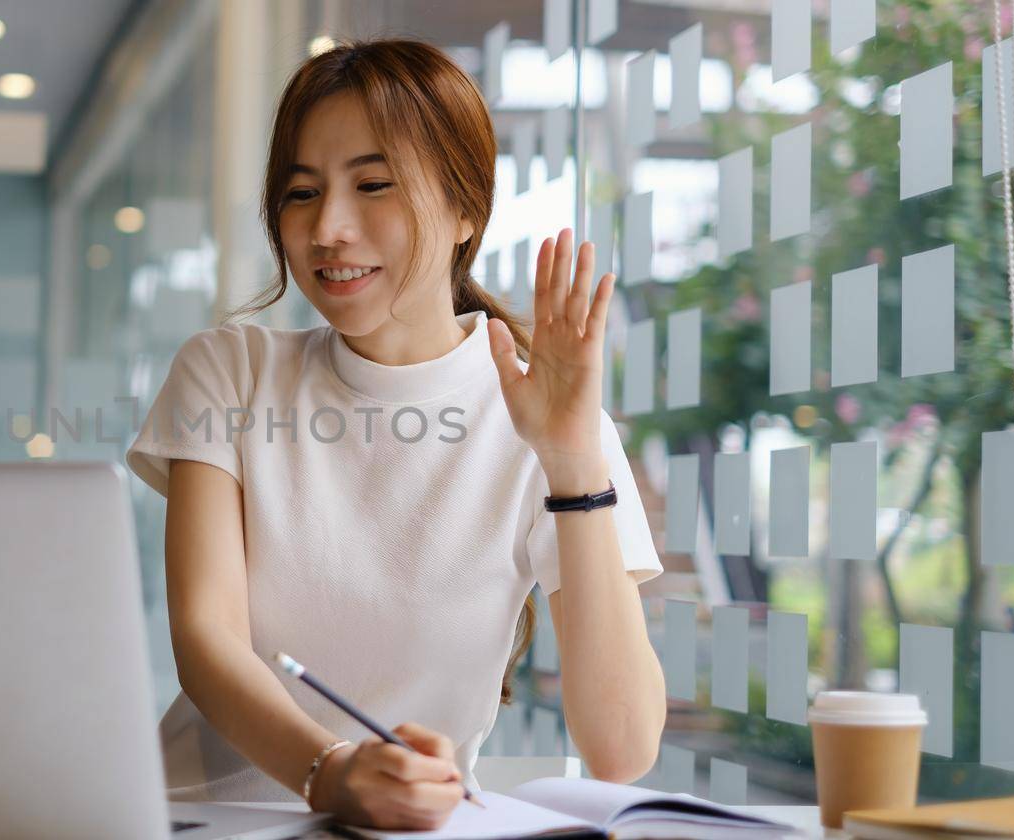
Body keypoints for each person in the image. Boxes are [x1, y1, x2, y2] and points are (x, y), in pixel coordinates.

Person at [124, 38, 667, 831]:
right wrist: (328, 774)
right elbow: (207, 642)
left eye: (372, 185)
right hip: (203, 818)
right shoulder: (230, 370)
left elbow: (620, 749)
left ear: (465, 210)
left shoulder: (552, 420)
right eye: (301, 193)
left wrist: (570, 458)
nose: (328, 229)